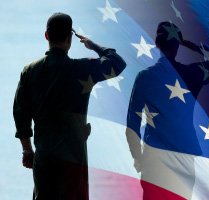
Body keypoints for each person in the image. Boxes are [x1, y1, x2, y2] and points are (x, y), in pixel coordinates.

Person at [13, 12, 126, 200]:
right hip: (73, 160)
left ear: (46, 36)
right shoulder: (82, 69)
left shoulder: (30, 71)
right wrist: (93, 45)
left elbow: (20, 113)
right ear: (70, 37)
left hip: (44, 158)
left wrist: (27, 150)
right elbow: (117, 63)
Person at [125, 22, 209, 198]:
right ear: (178, 45)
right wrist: (192, 45)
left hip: (154, 158)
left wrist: (137, 156)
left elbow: (132, 122)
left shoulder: (145, 77)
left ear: (157, 44)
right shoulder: (192, 73)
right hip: (184, 156)